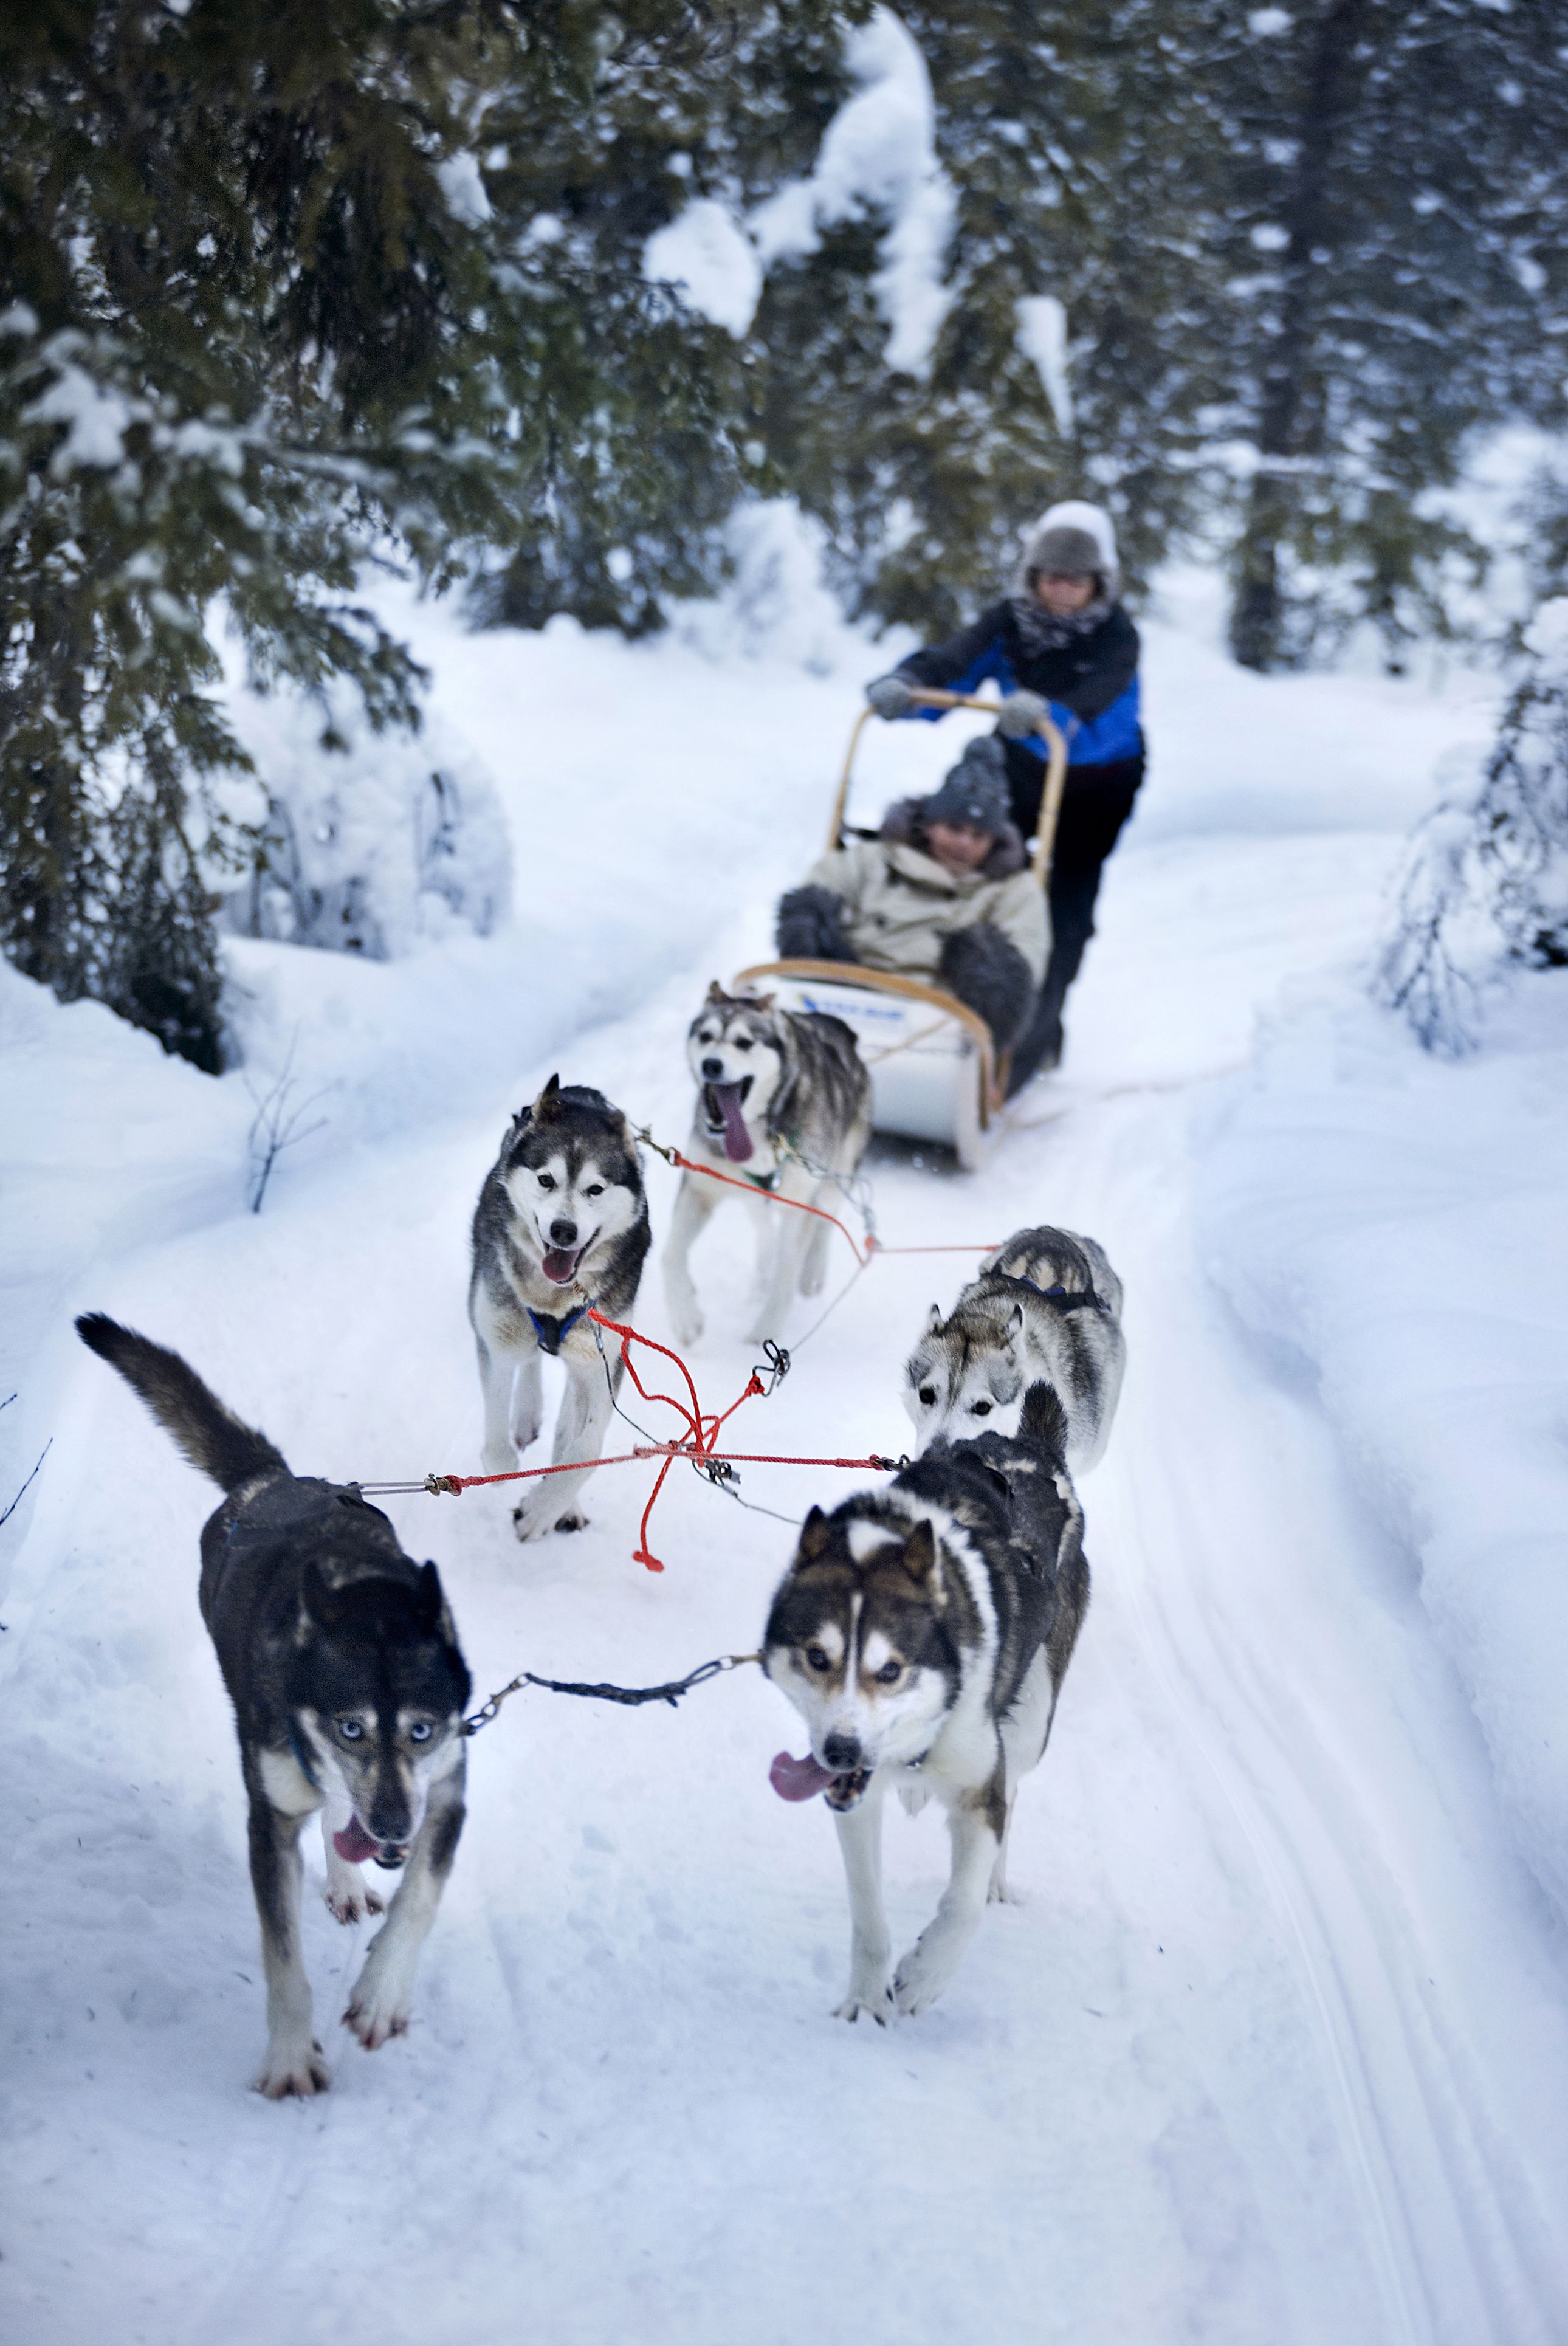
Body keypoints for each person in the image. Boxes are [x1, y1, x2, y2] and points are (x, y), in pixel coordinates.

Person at [863, 499, 1144, 1084]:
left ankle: (1028, 1042)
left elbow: (1102, 704)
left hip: (1097, 784)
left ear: (1098, 582)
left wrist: (1055, 713)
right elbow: (956, 661)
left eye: (1074, 578)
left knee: (1063, 908)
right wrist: (908, 684)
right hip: (1020, 764)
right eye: (1048, 575)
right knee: (976, 873)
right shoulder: (1011, 622)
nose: (1059, 588)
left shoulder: (1118, 637)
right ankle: (934, 1003)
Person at [775, 734, 1046, 1054]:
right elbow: (814, 898)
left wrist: (982, 965)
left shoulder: (1012, 890)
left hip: (936, 1023)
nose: (965, 844)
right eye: (955, 829)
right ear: (930, 824)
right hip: (841, 996)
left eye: (979, 835)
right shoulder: (871, 859)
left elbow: (1023, 962)